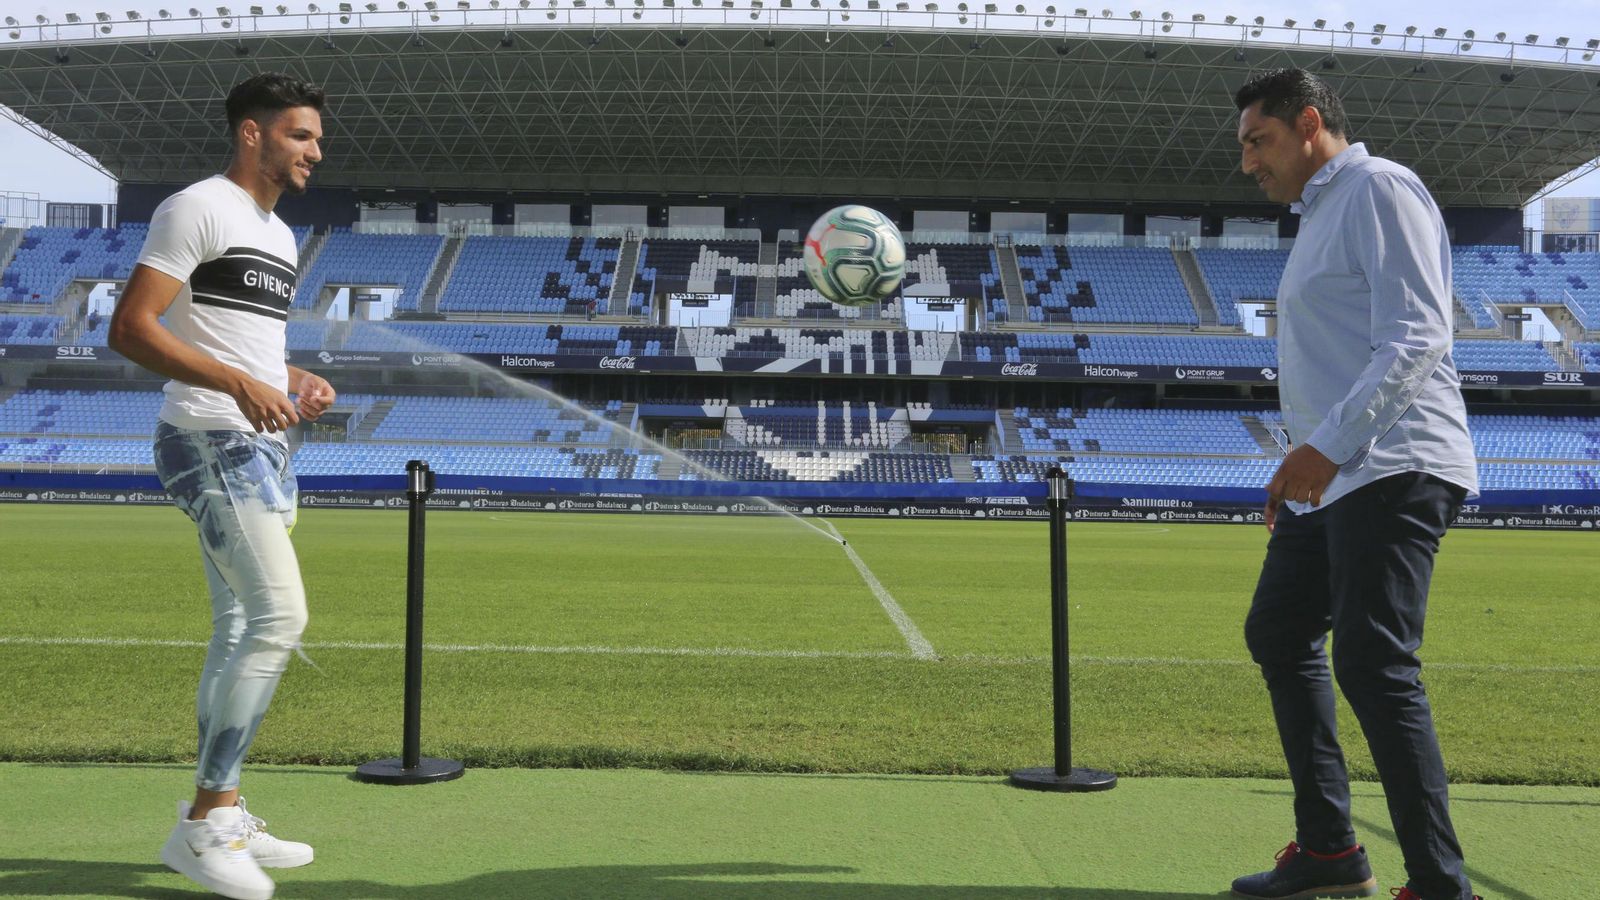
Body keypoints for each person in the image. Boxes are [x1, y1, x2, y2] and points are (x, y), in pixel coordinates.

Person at [1229, 68, 1481, 900]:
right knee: (1279, 630)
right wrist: (1301, 458)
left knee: (1373, 662)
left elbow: (1416, 336)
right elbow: (1335, 355)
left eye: (1259, 141)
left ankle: (1440, 886)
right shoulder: (1319, 216)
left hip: (1394, 460)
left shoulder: (1378, 187)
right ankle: (1331, 851)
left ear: (1309, 124)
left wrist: (1326, 450)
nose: (1248, 163)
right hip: (1334, 470)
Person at [109, 72, 333, 900]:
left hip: (262, 444)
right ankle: (205, 825)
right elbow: (131, 328)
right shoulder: (197, 207)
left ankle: (225, 811)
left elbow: (245, 344)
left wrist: (292, 377)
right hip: (208, 440)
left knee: (239, 624)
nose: (315, 151)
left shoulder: (278, 236)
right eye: (300, 135)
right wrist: (239, 386)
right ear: (252, 133)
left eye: (317, 138)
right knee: (281, 617)